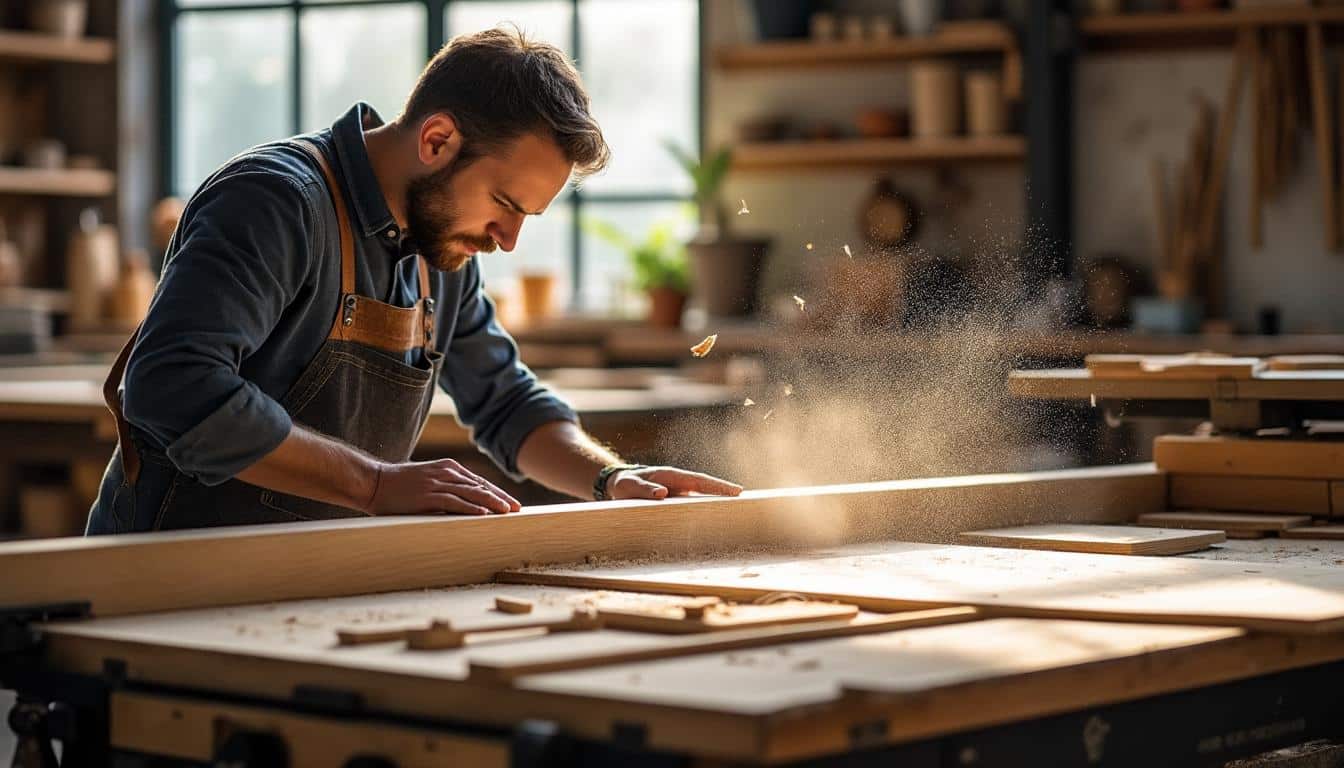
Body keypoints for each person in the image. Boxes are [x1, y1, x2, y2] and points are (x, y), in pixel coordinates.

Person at [86, 27, 741, 534]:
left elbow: (506, 403)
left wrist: (613, 479)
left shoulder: (441, 249)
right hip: (170, 577)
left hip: (305, 579)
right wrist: (374, 483)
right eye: (505, 204)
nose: (508, 239)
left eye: (526, 218)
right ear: (437, 141)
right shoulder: (275, 201)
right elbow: (171, 387)